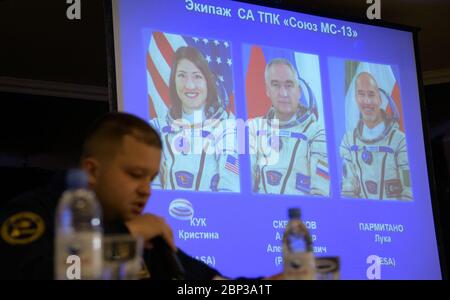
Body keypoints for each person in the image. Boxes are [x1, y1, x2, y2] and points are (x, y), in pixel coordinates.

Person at [0, 112, 223, 279]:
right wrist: (127, 235)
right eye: (136, 175)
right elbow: (37, 274)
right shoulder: (35, 212)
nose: (146, 190)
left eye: (151, 178)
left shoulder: (142, 234)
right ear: (92, 171)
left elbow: (203, 283)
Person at [150, 46, 240, 193]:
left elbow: (231, 188)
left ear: (208, 82)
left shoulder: (230, 129)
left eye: (197, 76)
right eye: (182, 75)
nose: (189, 85)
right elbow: (151, 189)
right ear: (174, 80)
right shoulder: (157, 128)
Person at [248, 58, 329, 196]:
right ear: (267, 90)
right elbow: (242, 185)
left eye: (289, 85)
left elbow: (321, 193)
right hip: (261, 213)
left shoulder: (317, 132)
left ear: (299, 91)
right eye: (275, 85)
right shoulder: (252, 128)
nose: (283, 93)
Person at [339, 72, 412, 200]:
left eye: (371, 94)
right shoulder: (348, 141)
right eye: (361, 94)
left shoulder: (399, 141)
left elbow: (409, 192)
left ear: (380, 98)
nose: (367, 101)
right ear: (356, 98)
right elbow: (347, 191)